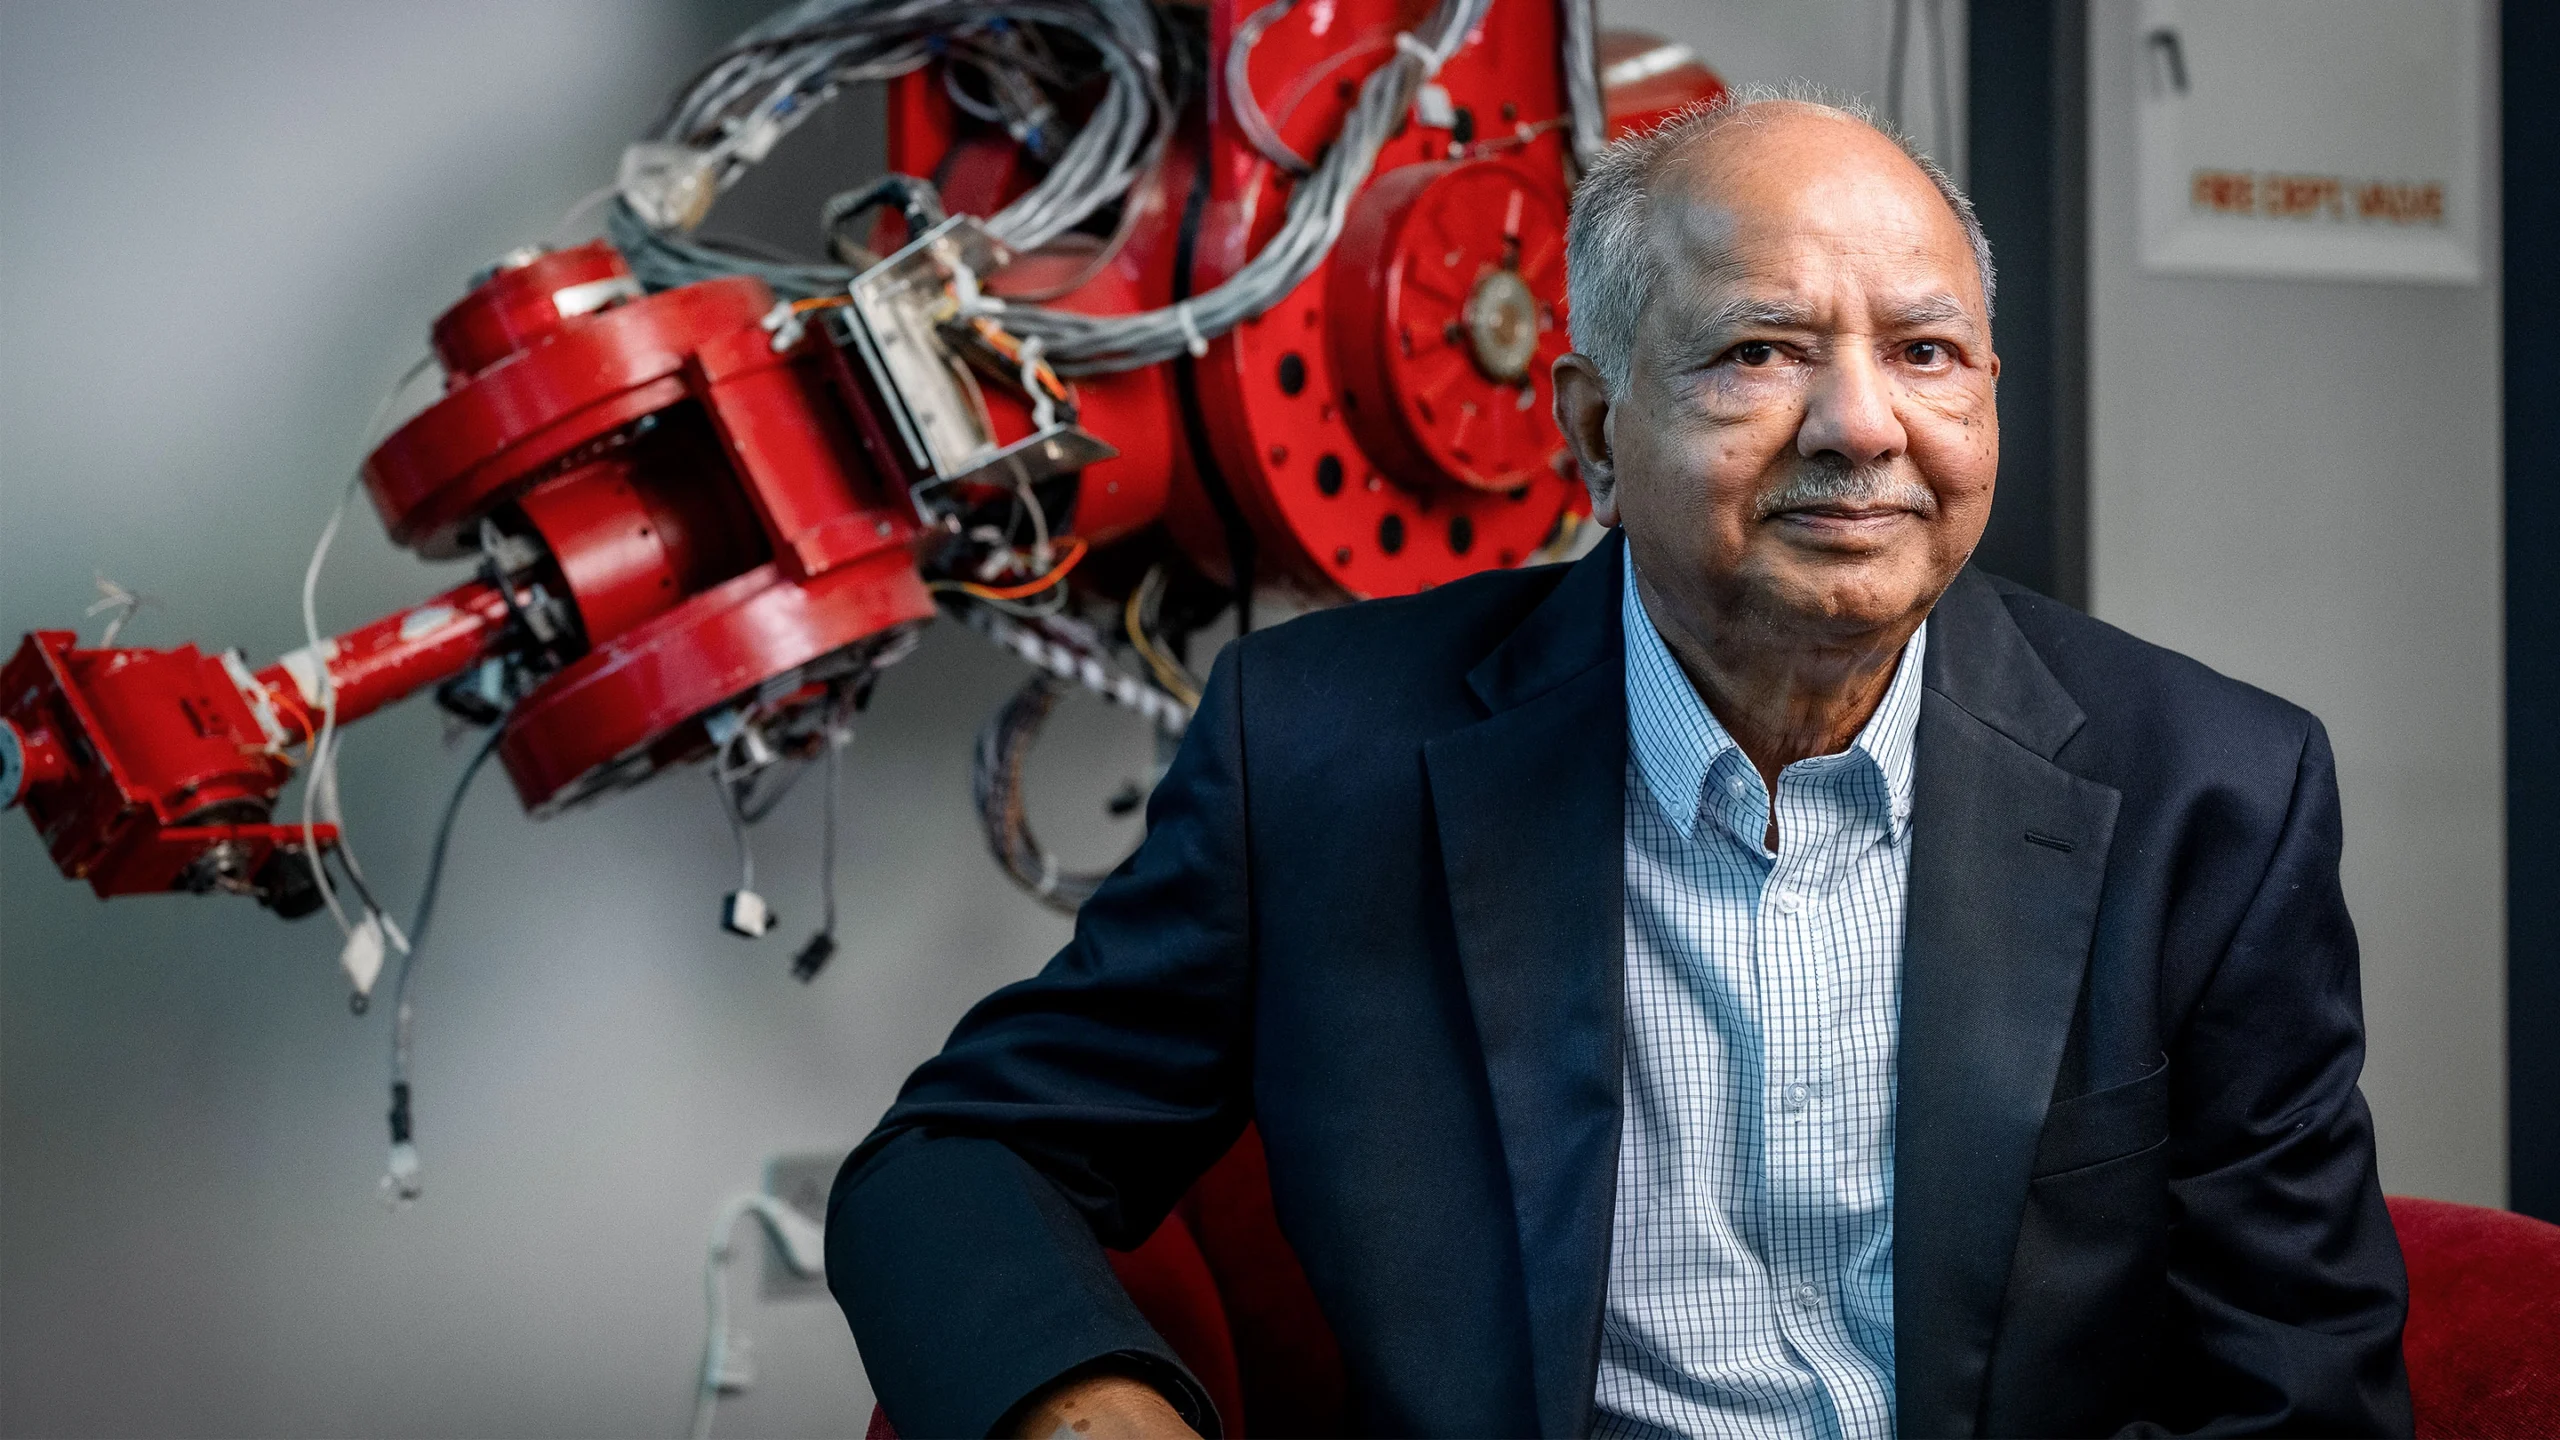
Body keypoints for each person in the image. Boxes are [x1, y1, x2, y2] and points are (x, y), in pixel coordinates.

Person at [827, 95, 2412, 1439]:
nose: (1861, 427)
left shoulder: (2212, 790)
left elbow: (2301, 1380)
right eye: (1760, 351)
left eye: (1929, 353)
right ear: (1595, 430)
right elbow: (958, 1161)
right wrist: (1090, 1414)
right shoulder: (1322, 751)